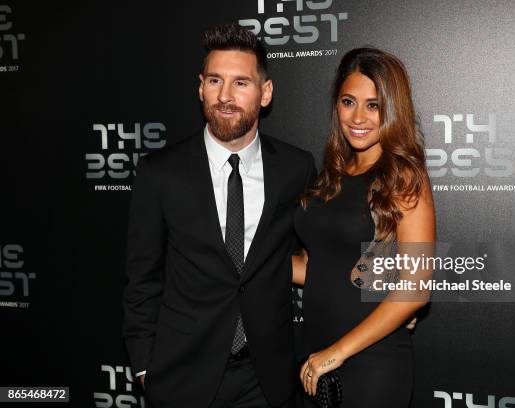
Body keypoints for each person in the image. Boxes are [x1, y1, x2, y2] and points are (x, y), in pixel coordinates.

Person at [123, 23, 316, 408]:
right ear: (200, 87)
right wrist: (145, 366)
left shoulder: (297, 168)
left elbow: (325, 252)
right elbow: (141, 278)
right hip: (181, 376)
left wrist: (392, 300)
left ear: (266, 93)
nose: (225, 96)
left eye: (241, 83)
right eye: (215, 81)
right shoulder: (160, 172)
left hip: (266, 379)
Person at [293, 47, 435, 407]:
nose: (358, 117)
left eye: (374, 105)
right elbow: (317, 267)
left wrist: (337, 352)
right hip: (316, 358)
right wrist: (241, 258)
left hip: (371, 364)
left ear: (393, 111)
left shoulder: (404, 178)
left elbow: (414, 290)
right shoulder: (331, 176)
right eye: (348, 101)